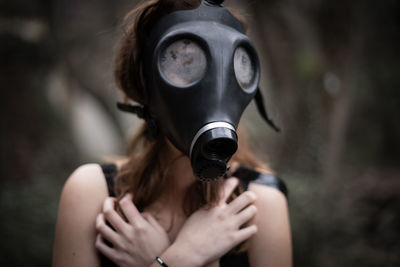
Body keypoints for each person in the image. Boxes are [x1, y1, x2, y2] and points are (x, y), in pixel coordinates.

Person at [52, 0, 292, 266]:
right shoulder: (91, 193)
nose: (215, 85)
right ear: (145, 86)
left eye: (230, 67)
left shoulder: (262, 206)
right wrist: (182, 257)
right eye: (185, 63)